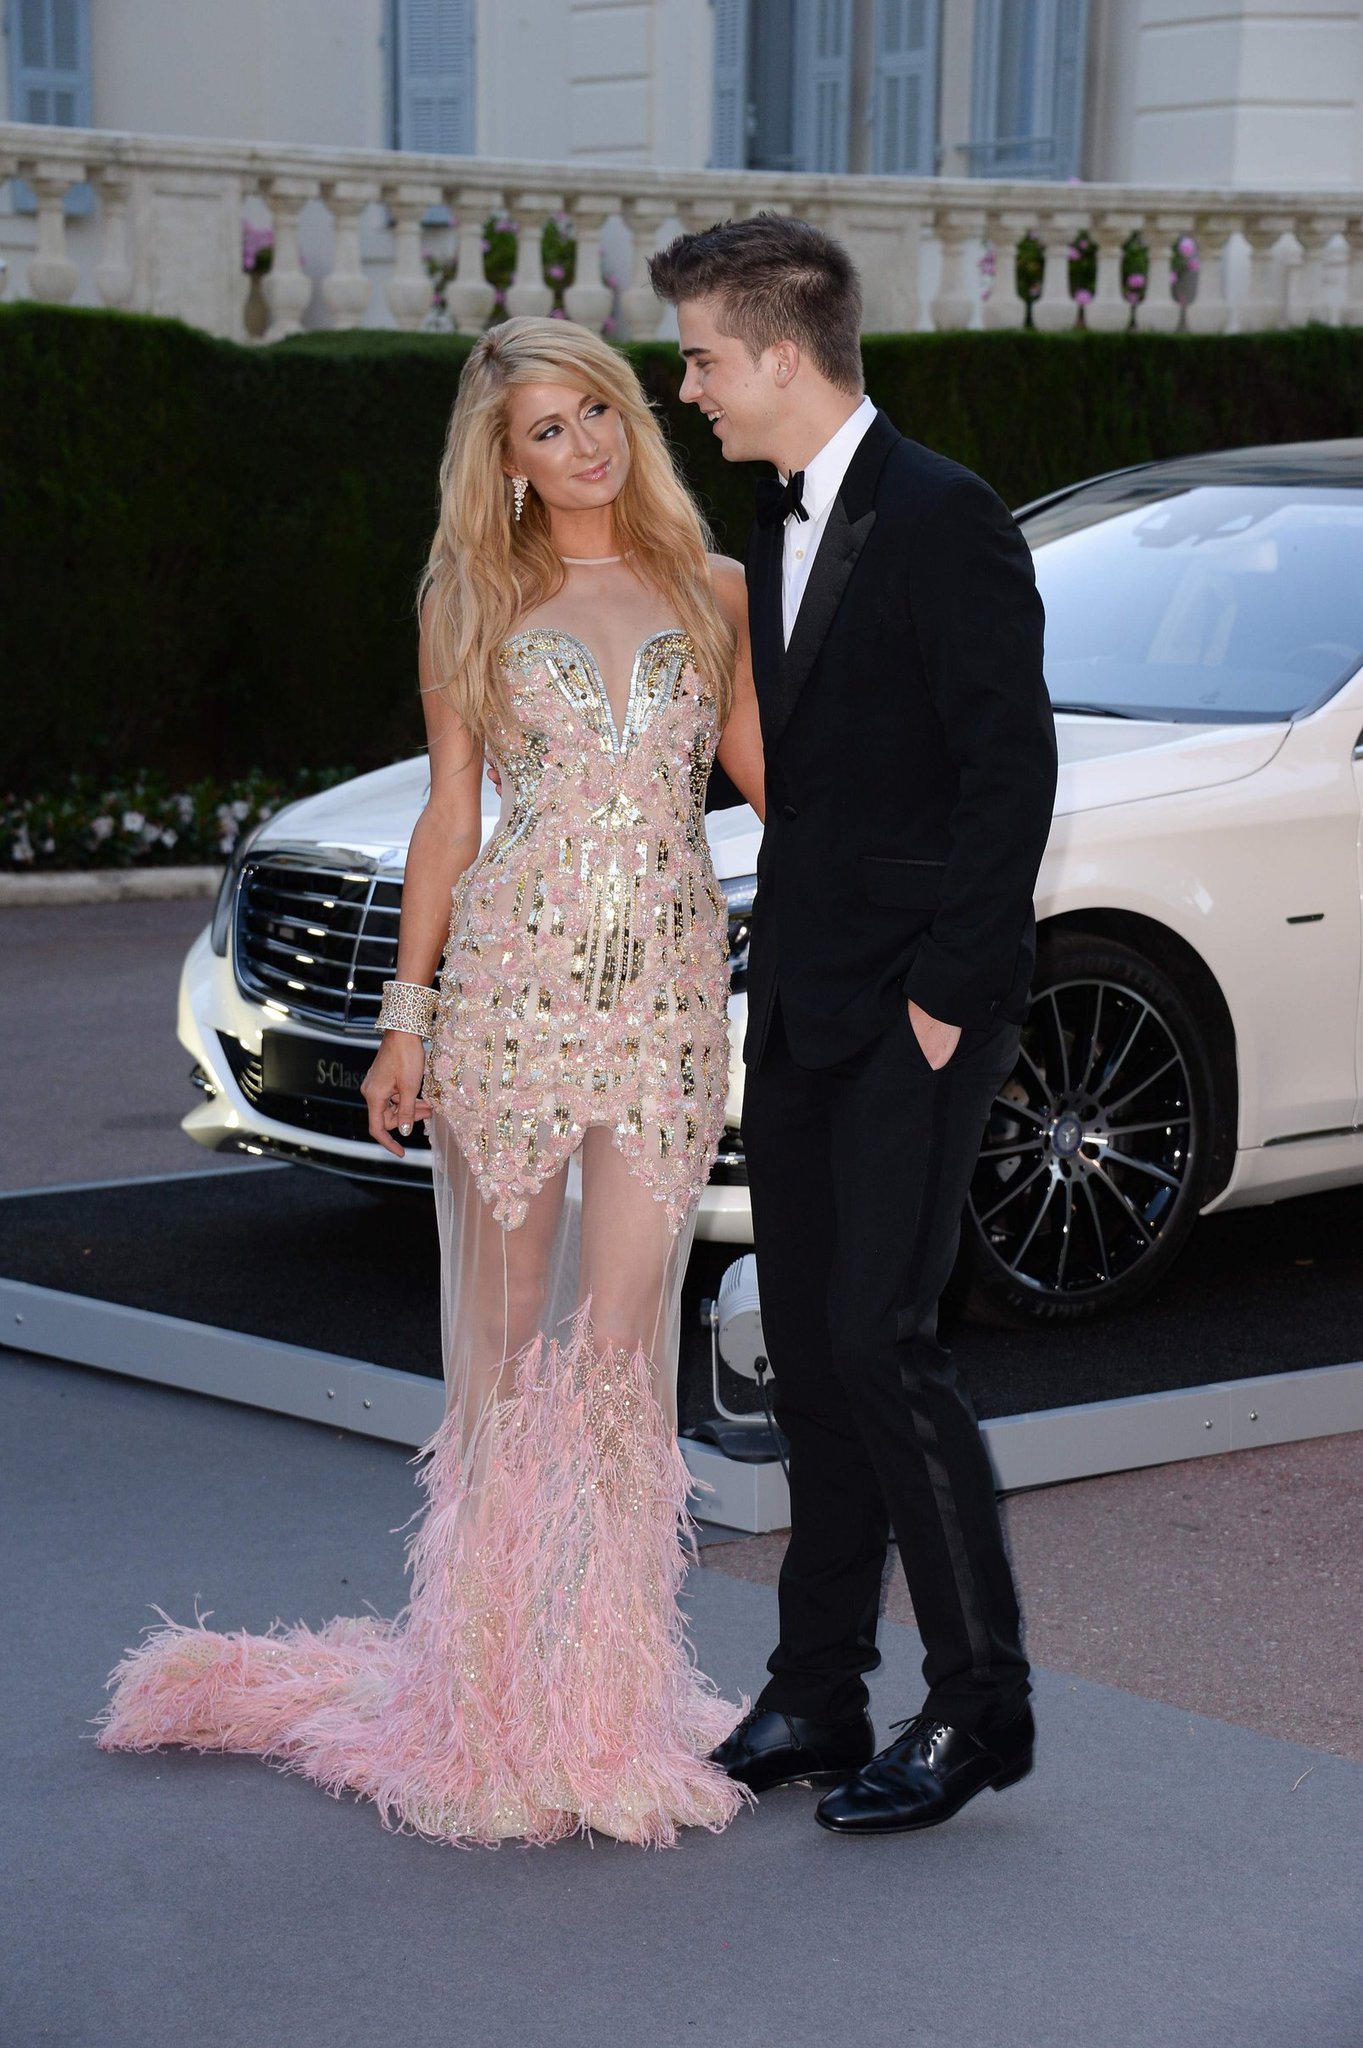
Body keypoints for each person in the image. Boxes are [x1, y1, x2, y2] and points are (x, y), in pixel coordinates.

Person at [98, 316, 766, 1849]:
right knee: (504, 1356)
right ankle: (487, 1699)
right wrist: (406, 1019)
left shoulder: (716, 592)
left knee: (619, 1356)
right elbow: (448, 820)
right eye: (546, 429)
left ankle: (596, 1697)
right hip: (509, 1000)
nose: (584, 443)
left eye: (596, 410)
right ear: (507, 464)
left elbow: (776, 783)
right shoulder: (472, 596)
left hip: (670, 1003)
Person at [650, 216, 1057, 1836]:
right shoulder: (777, 510)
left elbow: (1006, 772)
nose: (683, 387)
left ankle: (982, 1711)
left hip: (916, 1011)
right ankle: (820, 1688)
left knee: (888, 1349)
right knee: (808, 1357)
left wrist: (951, 999)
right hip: (806, 1001)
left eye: (695, 356)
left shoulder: (949, 520)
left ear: (775, 355)